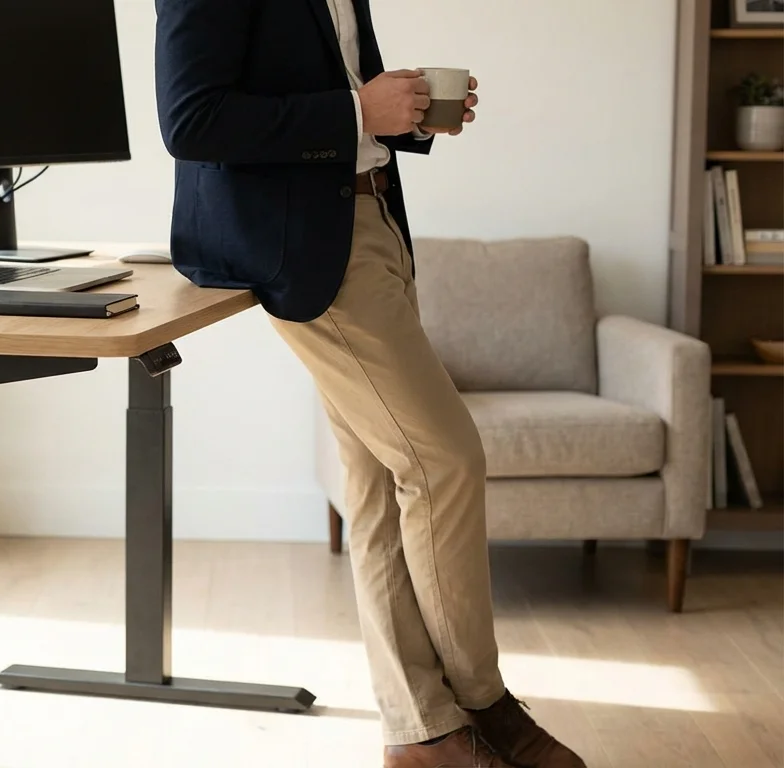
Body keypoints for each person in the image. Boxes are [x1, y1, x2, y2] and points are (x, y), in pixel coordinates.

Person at [154, 1, 587, 767]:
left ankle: (420, 732)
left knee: (382, 481)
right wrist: (358, 109)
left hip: (374, 220)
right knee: (445, 459)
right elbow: (191, 120)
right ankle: (482, 703)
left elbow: (336, 83)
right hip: (306, 246)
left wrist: (407, 112)